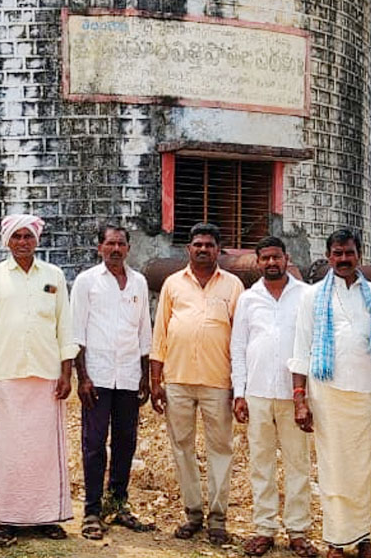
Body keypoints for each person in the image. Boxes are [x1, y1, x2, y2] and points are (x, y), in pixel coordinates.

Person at [0, 214, 78, 548]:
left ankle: (47, 516)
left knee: (45, 452)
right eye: (16, 237)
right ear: (7, 241)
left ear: (36, 240)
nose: (22, 242)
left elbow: (65, 327)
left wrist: (66, 373)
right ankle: (6, 518)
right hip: (8, 375)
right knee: (11, 451)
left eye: (28, 236)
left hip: (47, 376)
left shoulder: (53, 276)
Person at [290, 228, 371, 558]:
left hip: (364, 393)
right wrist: (300, 399)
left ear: (359, 255)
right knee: (333, 469)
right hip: (326, 394)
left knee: (361, 470)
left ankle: (362, 538)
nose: (343, 259)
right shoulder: (312, 295)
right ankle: (335, 540)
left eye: (349, 253)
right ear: (328, 256)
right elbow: (301, 348)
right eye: (337, 253)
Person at [151, 222, 245, 545]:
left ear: (219, 250)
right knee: (182, 448)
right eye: (198, 244)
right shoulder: (172, 284)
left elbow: (240, 339)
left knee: (221, 449)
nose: (203, 249)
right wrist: (155, 380)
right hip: (177, 379)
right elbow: (160, 333)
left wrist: (239, 386)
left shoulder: (232, 286)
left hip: (218, 381)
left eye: (209, 245)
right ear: (188, 249)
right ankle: (192, 514)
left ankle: (217, 519)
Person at [232, 236, 315, 557]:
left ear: (286, 258)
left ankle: (298, 531)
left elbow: (311, 343)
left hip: (295, 397)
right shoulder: (248, 298)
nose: (271, 262)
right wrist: (239, 393)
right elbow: (238, 347)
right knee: (261, 464)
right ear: (258, 262)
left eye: (276, 257)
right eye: (265, 258)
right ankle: (264, 529)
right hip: (257, 394)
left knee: (298, 464)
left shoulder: (305, 295)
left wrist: (306, 397)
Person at [71, 223, 153, 541]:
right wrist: (82, 377)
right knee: (94, 444)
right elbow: (77, 333)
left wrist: (145, 376)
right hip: (98, 376)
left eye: (121, 244)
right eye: (110, 244)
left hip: (129, 375)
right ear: (99, 248)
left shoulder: (139, 282)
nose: (116, 249)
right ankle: (92, 511)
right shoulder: (87, 282)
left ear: (128, 248)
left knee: (125, 442)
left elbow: (143, 331)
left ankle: (117, 504)